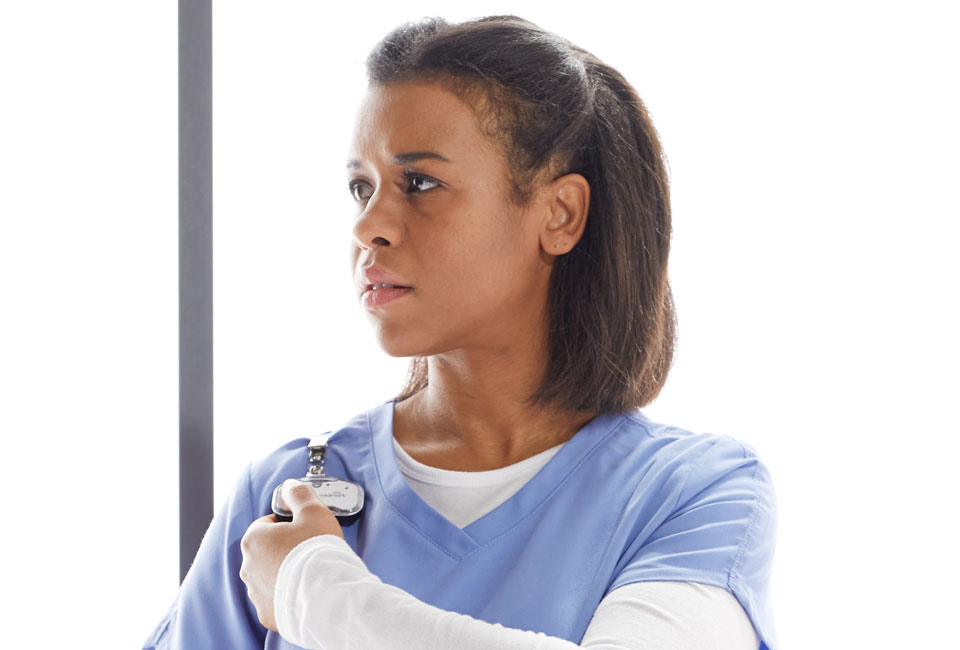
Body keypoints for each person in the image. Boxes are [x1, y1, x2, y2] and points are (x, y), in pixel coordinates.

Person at [144, 14, 778, 650]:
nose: (369, 226)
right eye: (361, 188)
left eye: (419, 183)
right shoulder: (281, 494)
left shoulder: (692, 494)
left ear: (560, 214)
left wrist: (314, 591)